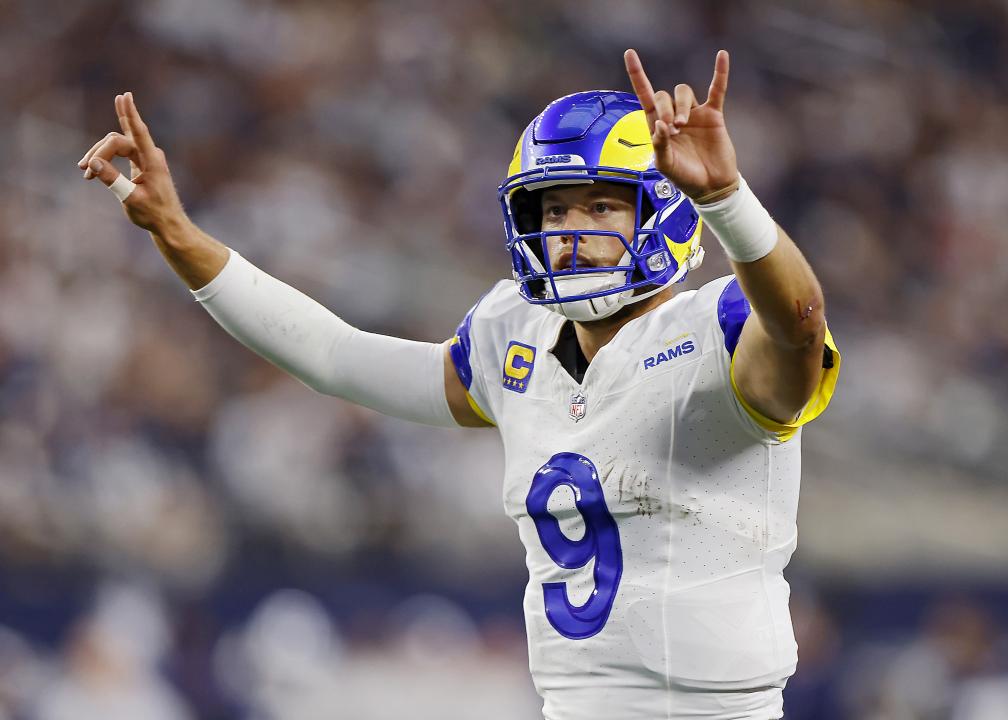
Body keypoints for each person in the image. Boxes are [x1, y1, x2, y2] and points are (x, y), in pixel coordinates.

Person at [78, 48, 840, 720]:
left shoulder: (722, 328)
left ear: (668, 211)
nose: (570, 233)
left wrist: (729, 200)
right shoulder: (517, 336)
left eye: (601, 204)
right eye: (554, 209)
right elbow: (335, 357)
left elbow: (800, 321)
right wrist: (179, 235)